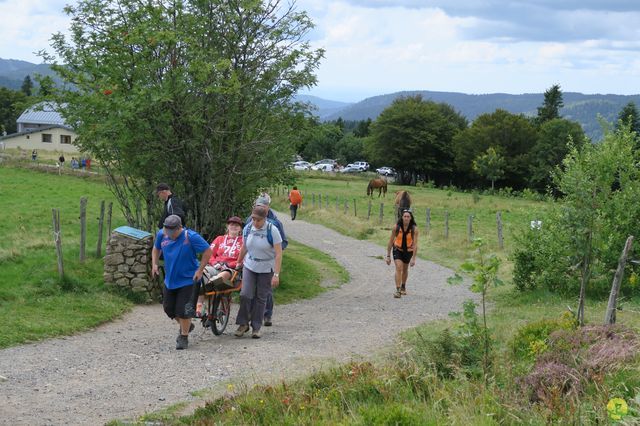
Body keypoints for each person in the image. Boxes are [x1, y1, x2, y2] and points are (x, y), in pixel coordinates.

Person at [152, 215, 212, 350]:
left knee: (184, 310)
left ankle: (183, 336)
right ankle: (187, 325)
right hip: (170, 280)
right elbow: (156, 249)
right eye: (167, 231)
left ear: (180, 228)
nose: (170, 234)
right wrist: (154, 264)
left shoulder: (190, 237)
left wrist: (200, 270)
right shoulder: (162, 234)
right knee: (168, 308)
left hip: (188, 280)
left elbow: (208, 251)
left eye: (172, 231)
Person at [234, 206, 282, 339]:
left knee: (261, 297)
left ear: (265, 219)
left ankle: (256, 327)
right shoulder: (248, 228)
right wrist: (238, 262)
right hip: (250, 264)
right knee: (245, 294)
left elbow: (278, 254)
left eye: (258, 220)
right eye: (254, 219)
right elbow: (244, 246)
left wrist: (276, 274)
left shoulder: (272, 230)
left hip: (266, 267)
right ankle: (243, 324)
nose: (255, 222)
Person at [185, 216, 244, 318]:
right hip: (215, 266)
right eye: (231, 224)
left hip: (231, 269)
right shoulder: (219, 239)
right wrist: (214, 262)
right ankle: (198, 307)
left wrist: (230, 264)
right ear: (227, 226)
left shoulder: (243, 241)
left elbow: (244, 258)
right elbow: (210, 254)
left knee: (225, 273)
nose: (233, 227)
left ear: (240, 228)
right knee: (200, 273)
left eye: (236, 225)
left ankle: (210, 284)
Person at [245, 193, 287, 326]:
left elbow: (283, 242)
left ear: (268, 207)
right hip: (252, 260)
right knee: (249, 290)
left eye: (263, 206)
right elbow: (245, 239)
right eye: (258, 205)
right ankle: (251, 313)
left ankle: (267, 314)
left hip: (268, 261)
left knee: (266, 290)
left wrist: (274, 251)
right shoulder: (250, 220)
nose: (261, 208)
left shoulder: (275, 223)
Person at [385, 209, 419, 298]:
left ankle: (403, 286)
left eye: (408, 217)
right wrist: (388, 256)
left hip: (408, 251)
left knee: (405, 269)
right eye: (405, 216)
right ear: (402, 217)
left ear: (411, 218)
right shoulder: (396, 227)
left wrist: (413, 258)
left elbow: (415, 245)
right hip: (398, 249)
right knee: (398, 268)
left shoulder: (414, 229)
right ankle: (398, 290)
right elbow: (390, 241)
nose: (406, 218)